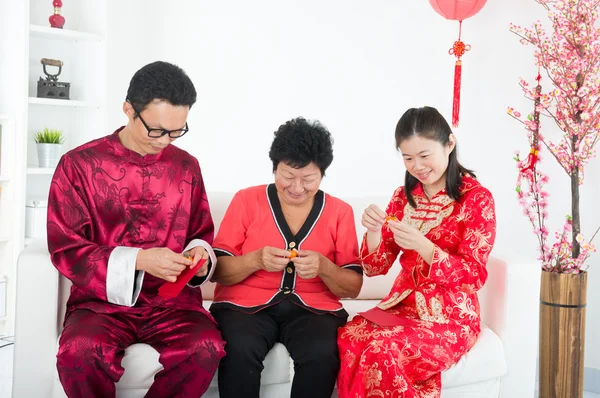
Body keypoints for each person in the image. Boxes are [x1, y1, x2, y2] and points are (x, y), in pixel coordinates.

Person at [47, 61, 225, 398]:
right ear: (128, 110)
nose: (165, 141)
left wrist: (199, 250)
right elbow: (65, 247)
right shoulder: (79, 165)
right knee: (80, 352)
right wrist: (140, 260)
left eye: (177, 131)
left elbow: (200, 230)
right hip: (100, 303)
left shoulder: (187, 166)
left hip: (173, 304)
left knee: (206, 346)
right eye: (156, 130)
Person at [337, 106, 496, 397]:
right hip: (401, 307)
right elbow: (375, 267)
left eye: (424, 156)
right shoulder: (403, 196)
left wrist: (424, 247)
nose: (417, 166)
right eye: (408, 158)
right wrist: (373, 231)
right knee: (350, 336)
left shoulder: (476, 199)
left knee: (381, 349)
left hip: (449, 317)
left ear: (449, 143)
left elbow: (474, 275)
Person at [210, 117, 364, 398]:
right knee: (239, 349)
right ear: (274, 168)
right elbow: (218, 271)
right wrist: (254, 260)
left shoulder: (340, 212)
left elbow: (352, 287)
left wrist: (324, 267)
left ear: (323, 174)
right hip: (244, 309)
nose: (297, 187)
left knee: (321, 354)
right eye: (288, 175)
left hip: (314, 311)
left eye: (309, 179)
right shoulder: (246, 200)